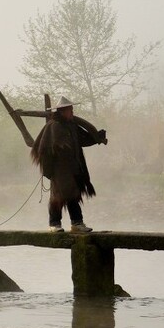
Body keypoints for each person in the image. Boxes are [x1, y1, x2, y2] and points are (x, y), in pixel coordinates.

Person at [30, 97, 107, 233]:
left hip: (74, 168)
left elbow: (83, 139)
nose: (72, 112)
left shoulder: (71, 125)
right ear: (62, 111)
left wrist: (97, 138)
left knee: (74, 195)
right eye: (69, 110)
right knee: (58, 196)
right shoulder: (53, 126)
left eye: (72, 110)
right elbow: (45, 149)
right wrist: (49, 168)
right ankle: (54, 224)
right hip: (59, 170)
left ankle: (77, 224)